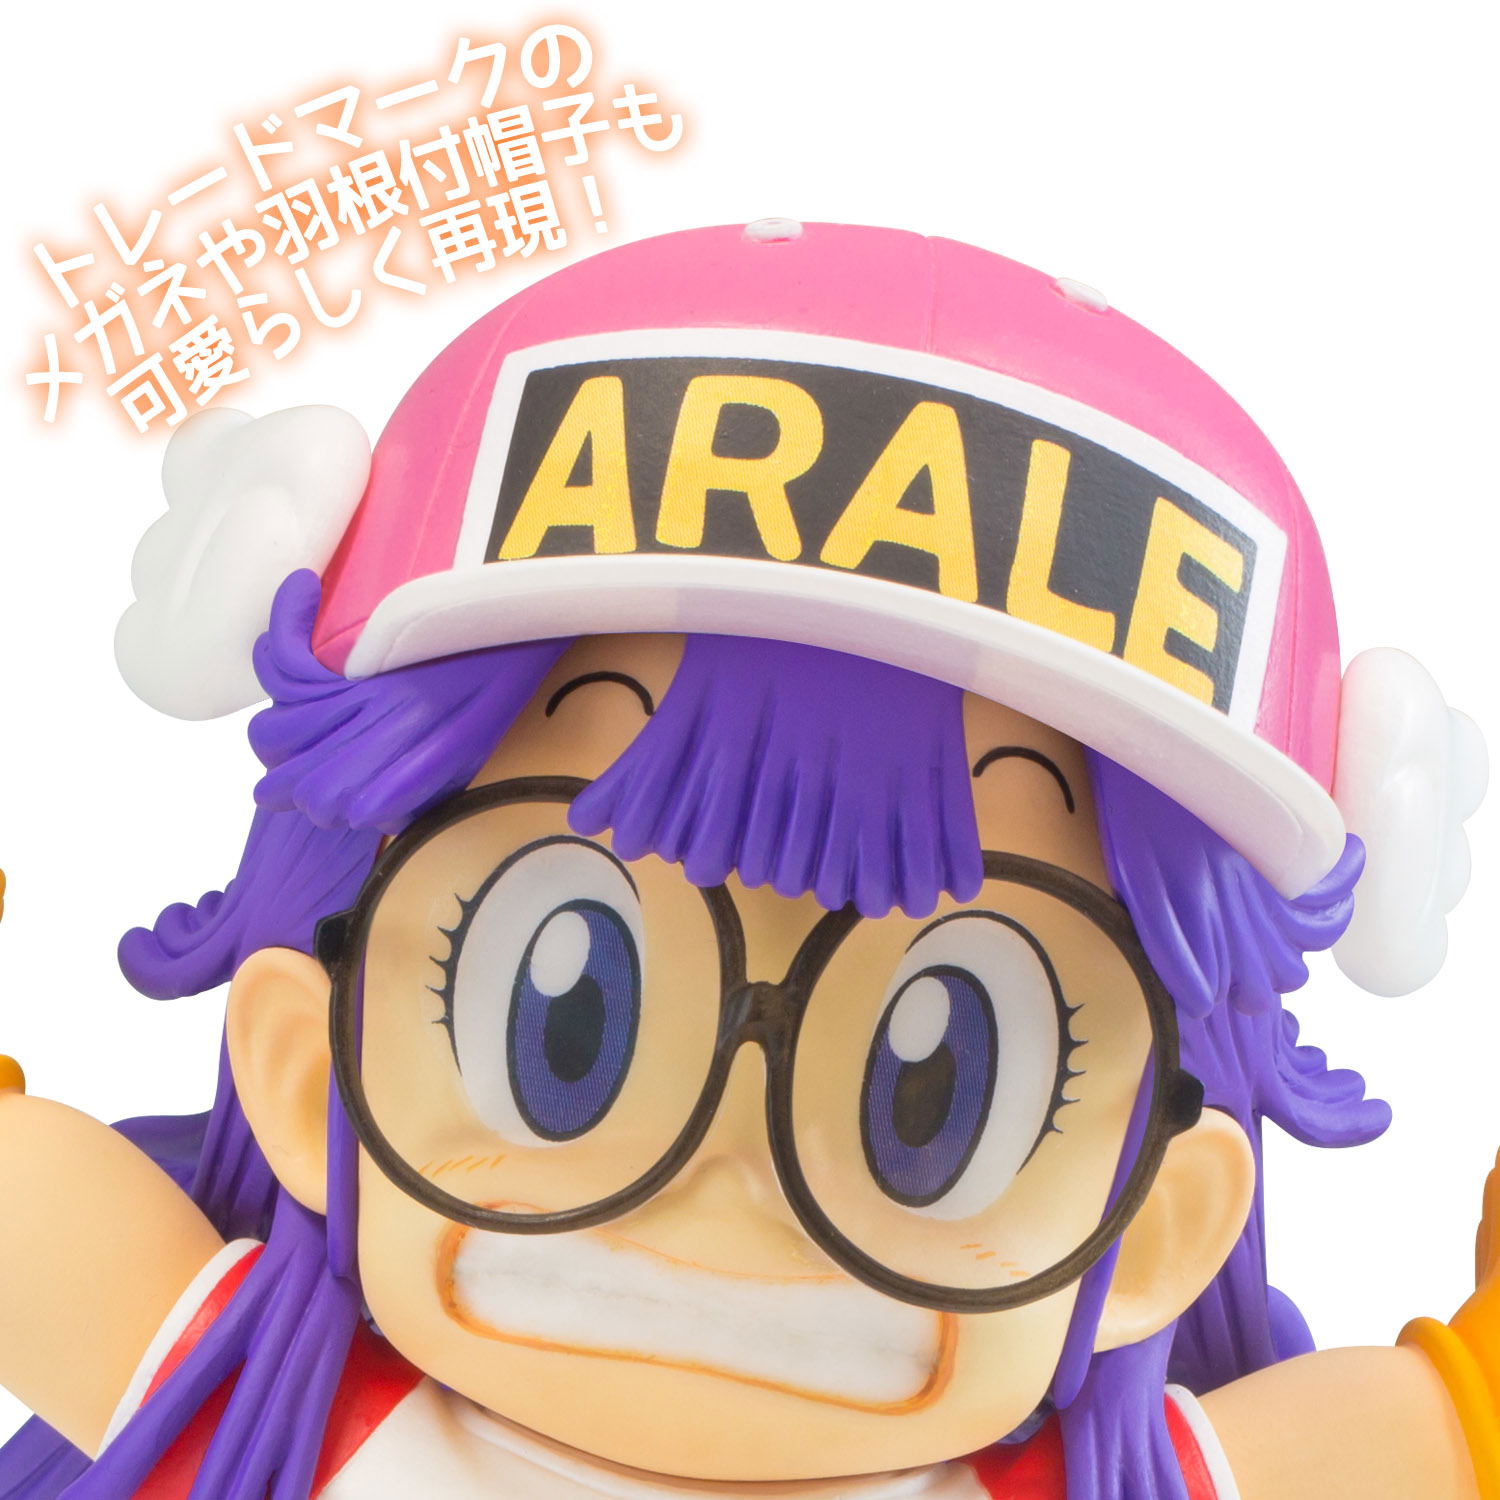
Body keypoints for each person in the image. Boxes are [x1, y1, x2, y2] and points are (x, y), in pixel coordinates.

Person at [0, 221, 1490, 1500]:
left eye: (938, 1092)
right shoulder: (280, 1418)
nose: (732, 1187)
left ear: (1161, 1223)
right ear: (304, 1059)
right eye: (566, 1024)